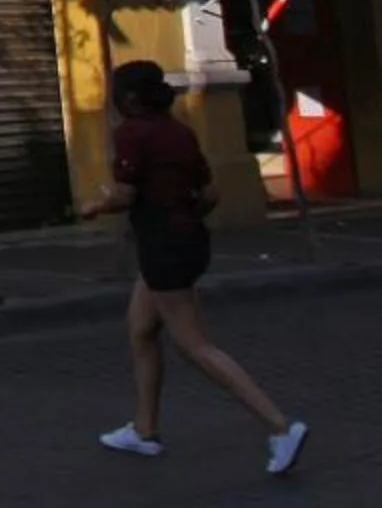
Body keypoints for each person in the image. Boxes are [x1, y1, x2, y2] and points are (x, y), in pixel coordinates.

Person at [84, 58, 310, 476]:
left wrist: (95, 205)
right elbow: (210, 193)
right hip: (186, 240)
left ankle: (279, 425)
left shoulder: (132, 134)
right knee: (141, 328)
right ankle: (144, 429)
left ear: (129, 99)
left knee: (195, 345)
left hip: (163, 247)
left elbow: (124, 195)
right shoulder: (180, 132)